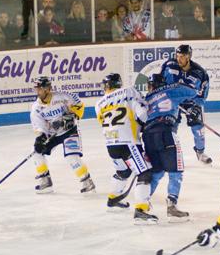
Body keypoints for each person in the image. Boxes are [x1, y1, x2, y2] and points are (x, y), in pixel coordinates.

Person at [94, 73, 158, 224]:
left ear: (107, 86)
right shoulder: (129, 91)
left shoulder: (99, 103)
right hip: (128, 142)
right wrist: (144, 126)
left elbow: (101, 121)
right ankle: (141, 211)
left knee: (123, 171)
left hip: (111, 144)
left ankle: (113, 199)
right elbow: (142, 113)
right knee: (145, 173)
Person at [142, 73, 198, 222]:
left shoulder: (145, 99)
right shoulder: (170, 90)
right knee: (176, 171)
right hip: (166, 133)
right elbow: (193, 91)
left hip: (147, 137)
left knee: (157, 172)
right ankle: (172, 207)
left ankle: (142, 204)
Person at [29, 76, 95, 194]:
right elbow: (40, 127)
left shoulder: (63, 96)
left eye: (39, 89)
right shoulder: (36, 108)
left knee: (71, 157)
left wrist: (72, 116)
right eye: (36, 89)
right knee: (36, 152)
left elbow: (79, 106)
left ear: (47, 89)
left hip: (69, 131)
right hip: (53, 134)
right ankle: (45, 181)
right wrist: (40, 138)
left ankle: (87, 181)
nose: (37, 92)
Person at [159, 44, 212, 164]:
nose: (179, 59)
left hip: (191, 102)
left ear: (188, 57)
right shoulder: (169, 65)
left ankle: (200, 152)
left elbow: (202, 94)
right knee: (171, 129)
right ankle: (171, 154)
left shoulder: (200, 73)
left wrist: (197, 107)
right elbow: (160, 82)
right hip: (173, 102)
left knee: (198, 129)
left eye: (182, 56)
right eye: (177, 56)